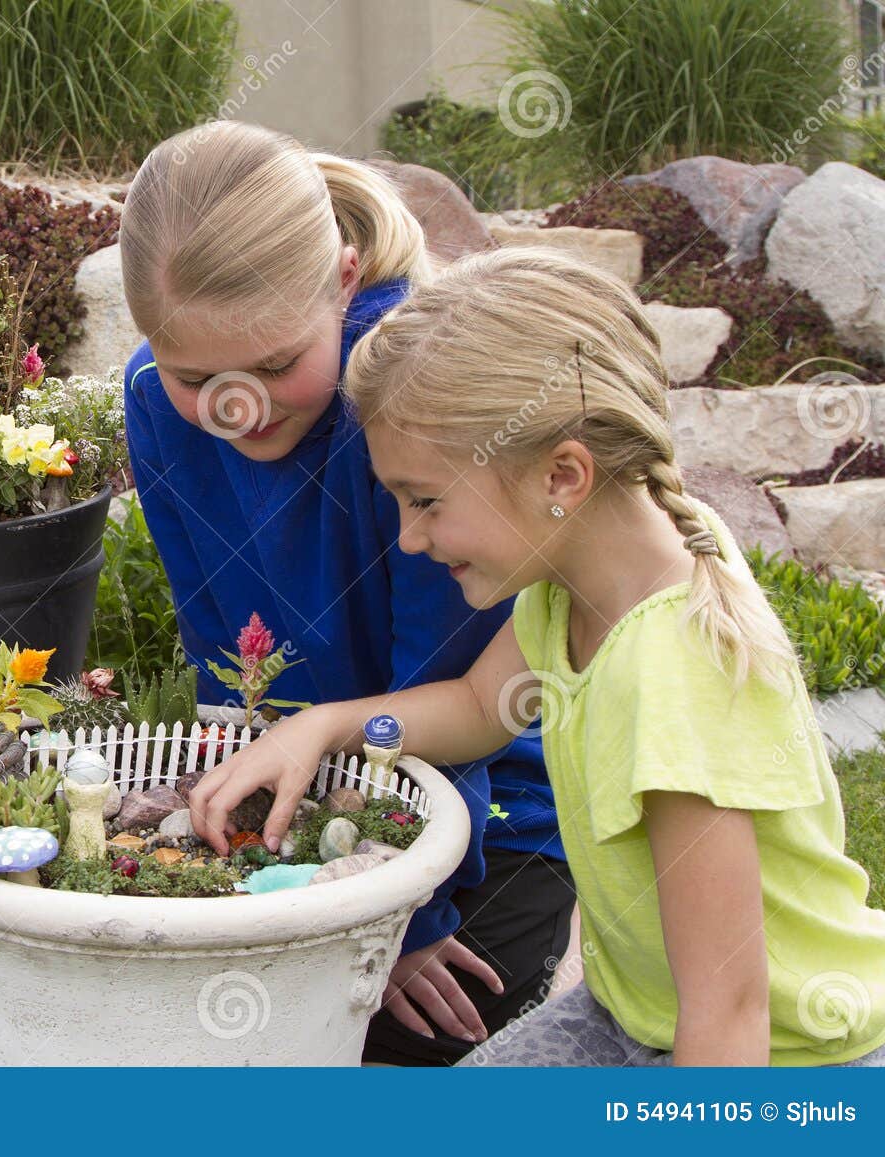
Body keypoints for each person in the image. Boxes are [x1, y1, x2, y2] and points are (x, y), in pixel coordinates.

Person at [189, 246, 885, 1066]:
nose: (410, 538)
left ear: (563, 473)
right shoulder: (580, 578)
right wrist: (325, 728)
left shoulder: (674, 676)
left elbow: (730, 1014)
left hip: (787, 1060)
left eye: (427, 501)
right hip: (635, 1011)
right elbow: (481, 709)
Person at [118, 120, 573, 1063]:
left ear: (345, 278)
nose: (237, 405)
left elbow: (450, 688)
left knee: (391, 1059)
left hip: (482, 809)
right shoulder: (156, 406)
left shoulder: (410, 403)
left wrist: (407, 920)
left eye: (278, 363)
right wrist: (233, 809)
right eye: (197, 375)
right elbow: (223, 643)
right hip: (301, 776)